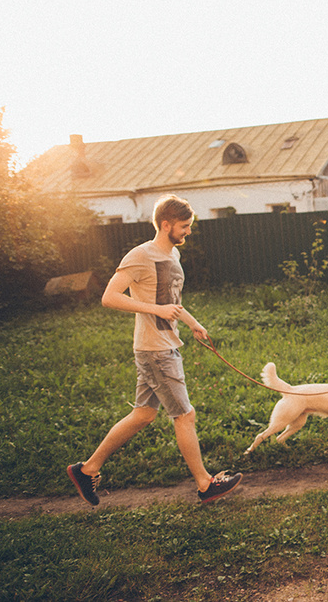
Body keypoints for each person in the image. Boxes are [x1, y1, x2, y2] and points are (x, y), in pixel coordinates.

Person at [67, 195, 242, 505]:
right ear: (166, 224)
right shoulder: (141, 255)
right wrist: (155, 310)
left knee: (143, 415)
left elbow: (171, 302)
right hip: (155, 350)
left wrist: (193, 323)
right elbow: (110, 297)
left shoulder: (171, 256)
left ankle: (87, 469)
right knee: (185, 416)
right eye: (184, 226)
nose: (188, 232)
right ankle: (205, 484)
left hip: (165, 345)